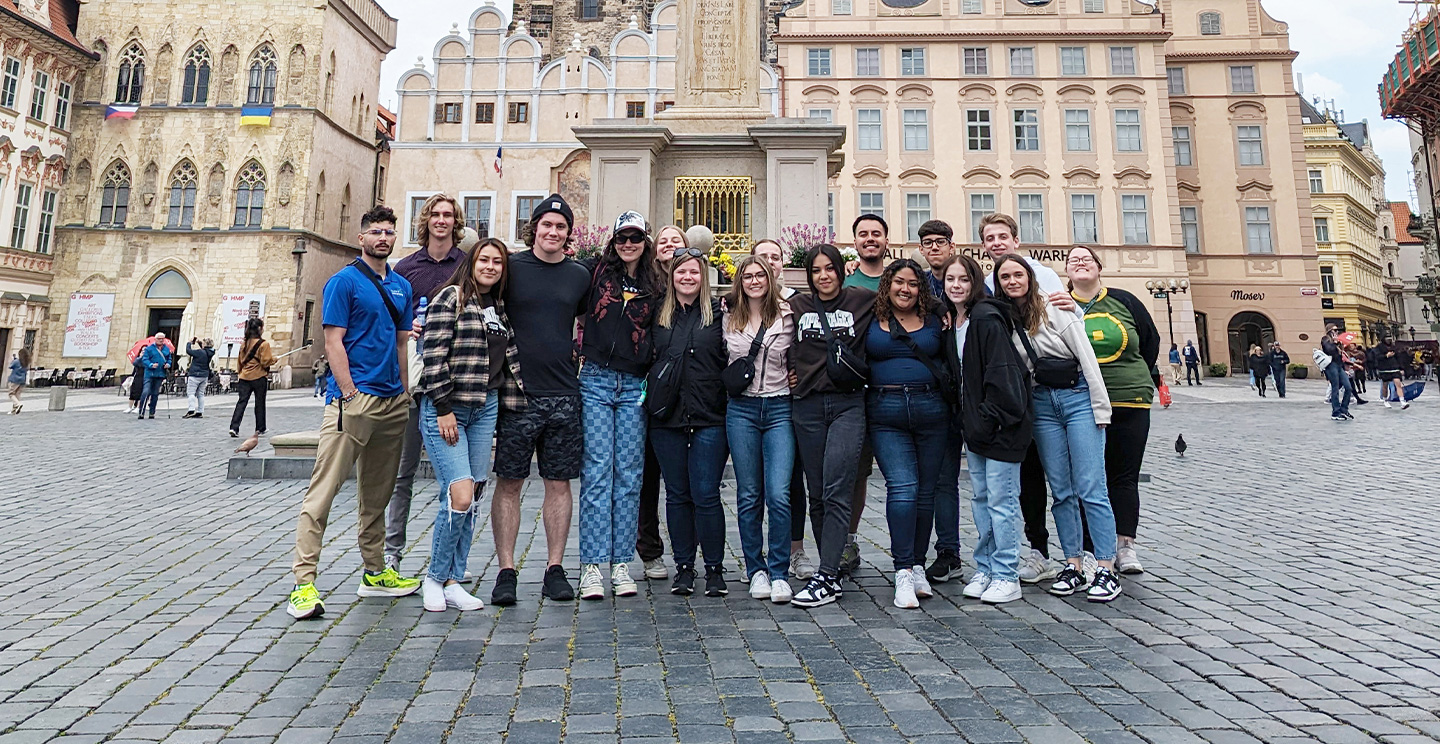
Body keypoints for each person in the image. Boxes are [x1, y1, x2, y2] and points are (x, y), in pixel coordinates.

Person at [288, 205, 418, 621]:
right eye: (376, 231)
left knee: (377, 495)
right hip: (353, 401)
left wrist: (404, 392)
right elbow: (333, 341)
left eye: (389, 232)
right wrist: (347, 392)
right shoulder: (343, 282)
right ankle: (303, 583)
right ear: (361, 238)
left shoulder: (401, 286)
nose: (383, 237)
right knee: (322, 493)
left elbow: (401, 344)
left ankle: (375, 572)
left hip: (392, 401)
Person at [994, 254, 1122, 603]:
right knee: (1062, 489)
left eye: (1018, 274)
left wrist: (1100, 408)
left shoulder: (1055, 308)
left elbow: (1087, 358)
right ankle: (1073, 564)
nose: (1012, 281)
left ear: (1029, 277)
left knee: (1091, 486)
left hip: (1078, 396)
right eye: (1005, 276)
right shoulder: (1004, 321)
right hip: (1042, 404)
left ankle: (1107, 568)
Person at [415, 237, 525, 612]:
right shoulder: (451, 298)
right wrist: (443, 406)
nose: (491, 266)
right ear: (472, 262)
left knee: (473, 496)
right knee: (458, 494)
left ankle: (453, 579)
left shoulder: (499, 308)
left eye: (498, 262)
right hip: (448, 409)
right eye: (485, 260)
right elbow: (433, 355)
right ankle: (433, 577)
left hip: (485, 408)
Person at [490, 194, 590, 605]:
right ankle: (506, 570)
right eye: (547, 225)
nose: (553, 232)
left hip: (564, 394)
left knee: (559, 483)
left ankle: (554, 568)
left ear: (569, 233)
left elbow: (583, 323)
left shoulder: (579, 275)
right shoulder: (510, 269)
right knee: (509, 482)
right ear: (535, 228)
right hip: (517, 394)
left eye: (561, 227)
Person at [977, 213, 1076, 586]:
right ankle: (1038, 548)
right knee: (1030, 474)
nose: (997, 242)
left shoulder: (1043, 275)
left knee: (1063, 477)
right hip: (1017, 394)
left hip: (1052, 390)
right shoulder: (988, 283)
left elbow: (1067, 325)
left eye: (1003, 236)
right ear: (985, 245)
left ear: (1016, 240)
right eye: (990, 237)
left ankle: (1078, 553)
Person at [576, 211, 663, 601]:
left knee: (629, 475)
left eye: (636, 238)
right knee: (597, 472)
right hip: (594, 379)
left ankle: (622, 562)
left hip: (633, 384)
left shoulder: (655, 283)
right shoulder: (594, 273)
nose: (629, 244)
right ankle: (592, 565)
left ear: (645, 241)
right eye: (622, 238)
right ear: (612, 241)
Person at [385, 194, 469, 575]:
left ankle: (450, 559)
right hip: (414, 378)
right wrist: (408, 327)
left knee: (453, 478)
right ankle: (392, 552)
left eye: (448, 215)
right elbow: (388, 320)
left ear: (456, 222)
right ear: (426, 221)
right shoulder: (404, 268)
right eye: (435, 214)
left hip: (454, 382)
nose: (441, 220)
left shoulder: (465, 265)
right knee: (403, 471)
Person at [788, 244, 875, 608]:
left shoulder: (862, 300)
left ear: (841, 270)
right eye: (817, 270)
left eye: (830, 269)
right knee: (818, 492)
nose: (824, 276)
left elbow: (912, 293)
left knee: (839, 486)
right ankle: (831, 570)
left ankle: (825, 574)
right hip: (806, 405)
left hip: (847, 405)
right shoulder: (796, 306)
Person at [1065, 246, 1158, 576]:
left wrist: (1136, 376)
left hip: (1128, 399)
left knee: (1123, 476)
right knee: (1087, 479)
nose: (1080, 263)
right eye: (1073, 260)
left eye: (1086, 258)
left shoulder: (1124, 300)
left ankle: (1125, 544)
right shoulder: (1060, 303)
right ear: (1067, 272)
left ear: (1099, 267)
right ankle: (1090, 548)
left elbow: (1149, 342)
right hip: (1081, 402)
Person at [947, 255, 1033, 605]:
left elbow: (1001, 374)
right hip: (978, 428)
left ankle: (1007, 573)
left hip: (1000, 425)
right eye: (950, 279)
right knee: (981, 498)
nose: (956, 285)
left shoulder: (985, 318)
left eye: (963, 279)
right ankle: (986, 566)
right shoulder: (955, 321)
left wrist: (988, 417)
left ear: (975, 283)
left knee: (1002, 501)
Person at [865, 258, 949, 609]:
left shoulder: (935, 319)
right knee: (903, 488)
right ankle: (902, 571)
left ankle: (917, 565)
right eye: (899, 282)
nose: (906, 289)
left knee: (926, 492)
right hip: (886, 411)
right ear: (888, 285)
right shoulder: (869, 316)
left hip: (932, 410)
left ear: (921, 288)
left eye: (913, 283)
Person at [651, 249, 730, 596]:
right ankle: (684, 566)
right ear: (672, 276)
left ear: (704, 277)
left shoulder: (719, 315)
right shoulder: (658, 315)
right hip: (666, 418)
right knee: (677, 494)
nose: (687, 277)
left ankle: (714, 568)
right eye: (681, 271)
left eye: (694, 272)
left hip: (710, 416)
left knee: (706, 494)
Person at [724, 256, 796, 603]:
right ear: (740, 282)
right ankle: (757, 569)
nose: (754, 281)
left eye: (760, 275)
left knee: (779, 493)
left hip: (780, 405)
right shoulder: (727, 315)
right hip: (742, 409)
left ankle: (780, 571)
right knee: (749, 494)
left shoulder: (787, 314)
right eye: (748, 276)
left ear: (770, 278)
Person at [752, 238, 815, 581]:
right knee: (754, 486)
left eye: (775, 257)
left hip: (791, 402)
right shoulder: (736, 304)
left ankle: (795, 550)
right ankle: (756, 555)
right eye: (763, 257)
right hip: (751, 403)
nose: (770, 263)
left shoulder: (799, 303)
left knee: (790, 482)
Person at [635, 224, 690, 582]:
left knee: (685, 482)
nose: (669, 246)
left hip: (688, 400)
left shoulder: (695, 289)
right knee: (647, 477)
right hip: (649, 395)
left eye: (677, 241)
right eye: (664, 241)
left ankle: (689, 550)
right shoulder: (646, 289)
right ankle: (650, 549)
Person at [838, 214, 891, 575]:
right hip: (855, 390)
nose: (870, 239)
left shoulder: (900, 278)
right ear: (855, 241)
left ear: (886, 239)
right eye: (863, 234)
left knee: (903, 476)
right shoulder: (845, 281)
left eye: (876, 234)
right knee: (854, 473)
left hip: (892, 387)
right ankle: (848, 541)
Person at [914, 220, 963, 584]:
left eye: (939, 242)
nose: (934, 248)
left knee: (946, 478)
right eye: (927, 242)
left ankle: (949, 551)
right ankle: (915, 553)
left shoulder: (965, 280)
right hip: (921, 390)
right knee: (918, 480)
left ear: (951, 245)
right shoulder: (915, 283)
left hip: (955, 393)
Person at [228, 318, 276, 436]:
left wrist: (241, 373)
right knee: (259, 403)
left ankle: (234, 427)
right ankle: (260, 427)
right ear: (260, 328)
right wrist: (274, 360)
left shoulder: (244, 343)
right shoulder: (264, 344)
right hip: (259, 377)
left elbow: (240, 361)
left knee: (241, 402)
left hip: (244, 377)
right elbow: (265, 362)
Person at [138, 332, 173, 420]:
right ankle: (141, 412)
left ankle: (152, 412)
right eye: (159, 339)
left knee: (155, 394)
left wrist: (168, 364)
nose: (161, 340)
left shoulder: (166, 349)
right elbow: (145, 359)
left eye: (162, 339)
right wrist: (150, 365)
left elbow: (169, 359)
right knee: (146, 392)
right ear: (155, 339)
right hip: (149, 374)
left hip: (160, 374)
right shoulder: (149, 349)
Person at [1321, 325, 1352, 421]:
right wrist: (1334, 343)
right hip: (1331, 366)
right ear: (1329, 330)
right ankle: (1335, 412)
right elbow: (1329, 350)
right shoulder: (1325, 339)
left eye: (1337, 330)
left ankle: (1344, 409)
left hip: (1339, 366)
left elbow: (1340, 355)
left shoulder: (1338, 341)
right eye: (1334, 330)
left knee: (1348, 387)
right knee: (1335, 388)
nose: (1337, 331)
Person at [184, 338, 216, 418]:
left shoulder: (200, 352)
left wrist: (189, 343)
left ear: (205, 344)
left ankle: (191, 410)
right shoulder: (211, 352)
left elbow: (189, 351)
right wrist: (199, 342)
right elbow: (204, 349)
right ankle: (200, 411)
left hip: (195, 374)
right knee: (200, 394)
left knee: (191, 393)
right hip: (204, 375)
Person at [1375, 337, 1410, 409]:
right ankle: (1385, 400)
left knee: (1398, 383)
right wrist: (1386, 356)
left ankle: (1402, 401)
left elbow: (1399, 357)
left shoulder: (1394, 347)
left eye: (1390, 338)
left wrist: (1401, 368)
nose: (1389, 340)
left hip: (1394, 367)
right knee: (1385, 385)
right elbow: (1377, 357)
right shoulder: (1379, 347)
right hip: (1384, 369)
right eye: (1387, 338)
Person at [8, 348, 29, 414]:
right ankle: (14, 410)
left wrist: (13, 360)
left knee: (11, 394)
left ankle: (18, 404)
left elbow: (10, 366)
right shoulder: (27, 362)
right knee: (17, 394)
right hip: (22, 380)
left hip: (15, 379)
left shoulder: (17, 361)